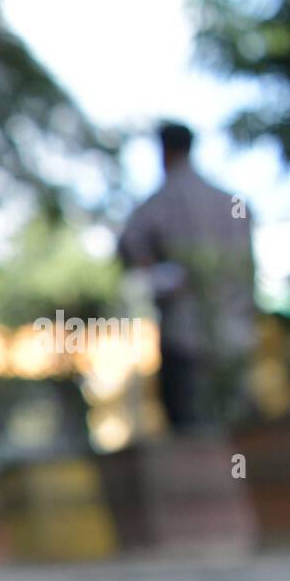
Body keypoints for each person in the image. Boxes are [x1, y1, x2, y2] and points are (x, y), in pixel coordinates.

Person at [118, 121, 258, 431]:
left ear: (164, 151)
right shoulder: (232, 202)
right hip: (236, 333)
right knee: (240, 432)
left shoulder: (158, 203)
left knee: (193, 437)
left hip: (184, 338)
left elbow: (130, 250)